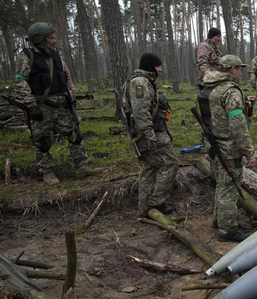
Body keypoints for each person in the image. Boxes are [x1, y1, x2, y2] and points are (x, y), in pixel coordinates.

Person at [12, 22, 103, 184]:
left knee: (75, 135)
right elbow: (20, 81)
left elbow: (65, 76)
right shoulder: (27, 56)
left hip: (61, 105)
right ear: (40, 39)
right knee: (42, 141)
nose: (55, 41)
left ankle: (82, 166)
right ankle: (47, 172)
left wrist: (71, 95)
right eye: (51, 38)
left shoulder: (54, 54)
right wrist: (31, 105)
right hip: (41, 106)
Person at [198, 55, 257, 242]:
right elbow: (238, 126)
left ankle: (218, 219)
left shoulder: (210, 86)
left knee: (221, 185)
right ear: (232, 69)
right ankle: (227, 229)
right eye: (240, 69)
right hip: (228, 147)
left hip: (213, 144)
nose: (241, 73)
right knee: (229, 188)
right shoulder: (230, 92)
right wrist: (249, 152)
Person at [123, 53, 178, 218]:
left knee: (149, 168)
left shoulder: (143, 81)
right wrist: (149, 135)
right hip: (147, 133)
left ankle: (144, 209)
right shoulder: (140, 83)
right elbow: (140, 111)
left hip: (147, 132)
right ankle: (156, 202)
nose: (160, 70)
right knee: (170, 162)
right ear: (152, 66)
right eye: (158, 66)